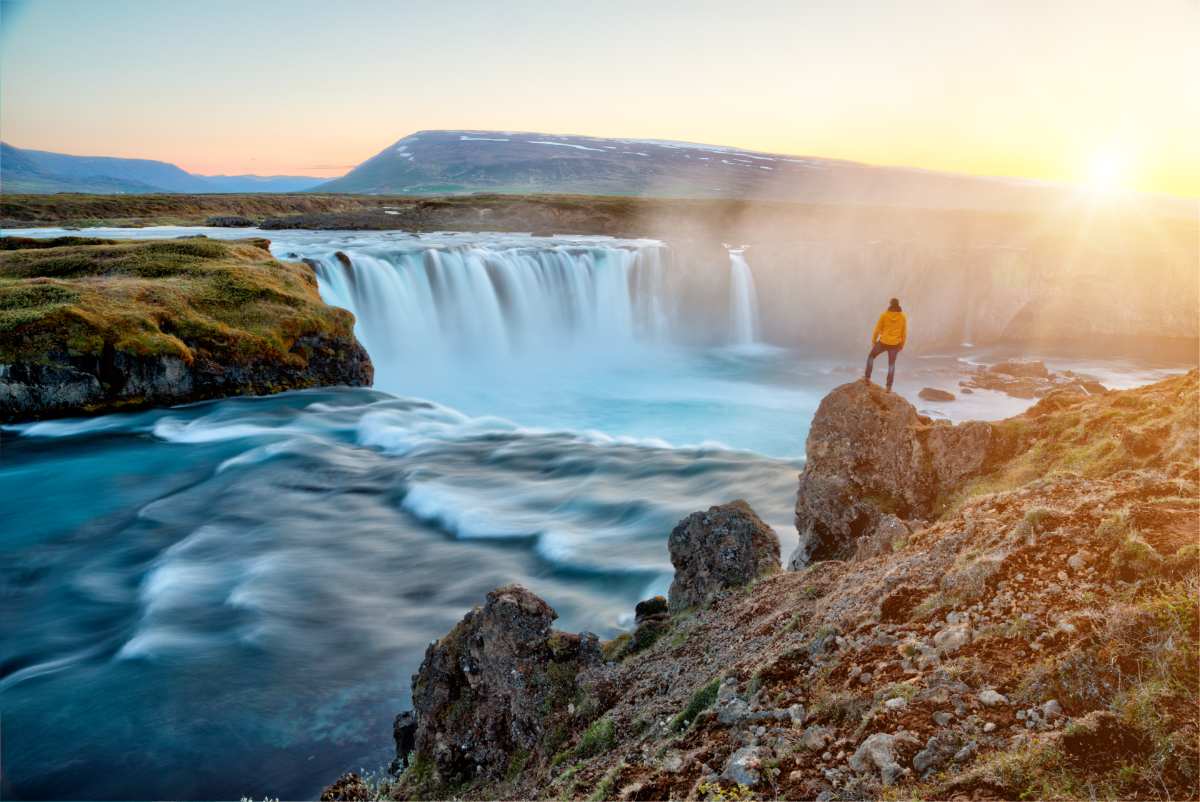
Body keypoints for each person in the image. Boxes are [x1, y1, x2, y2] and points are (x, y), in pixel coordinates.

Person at [864, 298, 906, 391]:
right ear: (898, 305)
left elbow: (877, 329)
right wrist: (902, 344)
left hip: (883, 342)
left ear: (890, 304)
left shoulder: (884, 315)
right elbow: (904, 333)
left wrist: (874, 341)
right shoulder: (903, 317)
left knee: (871, 356)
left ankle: (867, 378)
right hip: (895, 344)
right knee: (891, 365)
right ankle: (888, 386)